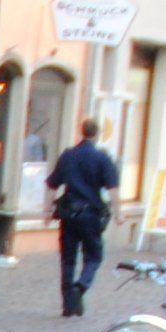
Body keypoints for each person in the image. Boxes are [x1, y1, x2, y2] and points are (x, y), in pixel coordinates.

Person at [49, 118, 120, 317]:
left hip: (69, 213)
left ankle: (67, 304)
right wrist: (119, 213)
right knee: (94, 256)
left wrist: (46, 211)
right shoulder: (102, 158)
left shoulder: (68, 156)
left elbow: (51, 184)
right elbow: (112, 189)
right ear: (97, 134)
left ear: (82, 131)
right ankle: (80, 286)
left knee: (68, 259)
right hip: (90, 214)